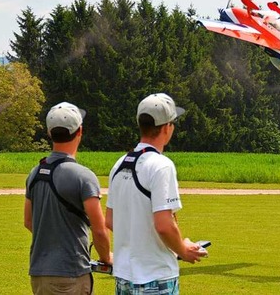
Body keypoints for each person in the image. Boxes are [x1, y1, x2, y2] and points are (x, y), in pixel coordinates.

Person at [106, 93, 207, 294]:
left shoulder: (120, 164)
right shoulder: (162, 166)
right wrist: (182, 249)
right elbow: (164, 225)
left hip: (124, 276)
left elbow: (110, 220)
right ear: (167, 127)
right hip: (155, 277)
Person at [24, 102, 112, 295]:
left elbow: (29, 222)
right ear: (79, 131)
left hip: (39, 274)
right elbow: (99, 230)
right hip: (70, 274)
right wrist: (107, 258)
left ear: (49, 132)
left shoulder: (35, 173)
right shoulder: (84, 176)